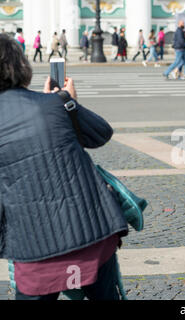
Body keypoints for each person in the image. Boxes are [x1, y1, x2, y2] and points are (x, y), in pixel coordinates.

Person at [0, 34, 129, 300]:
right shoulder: (54, 104)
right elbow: (101, 134)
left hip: (33, 246)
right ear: (19, 65)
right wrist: (67, 102)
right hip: (90, 232)